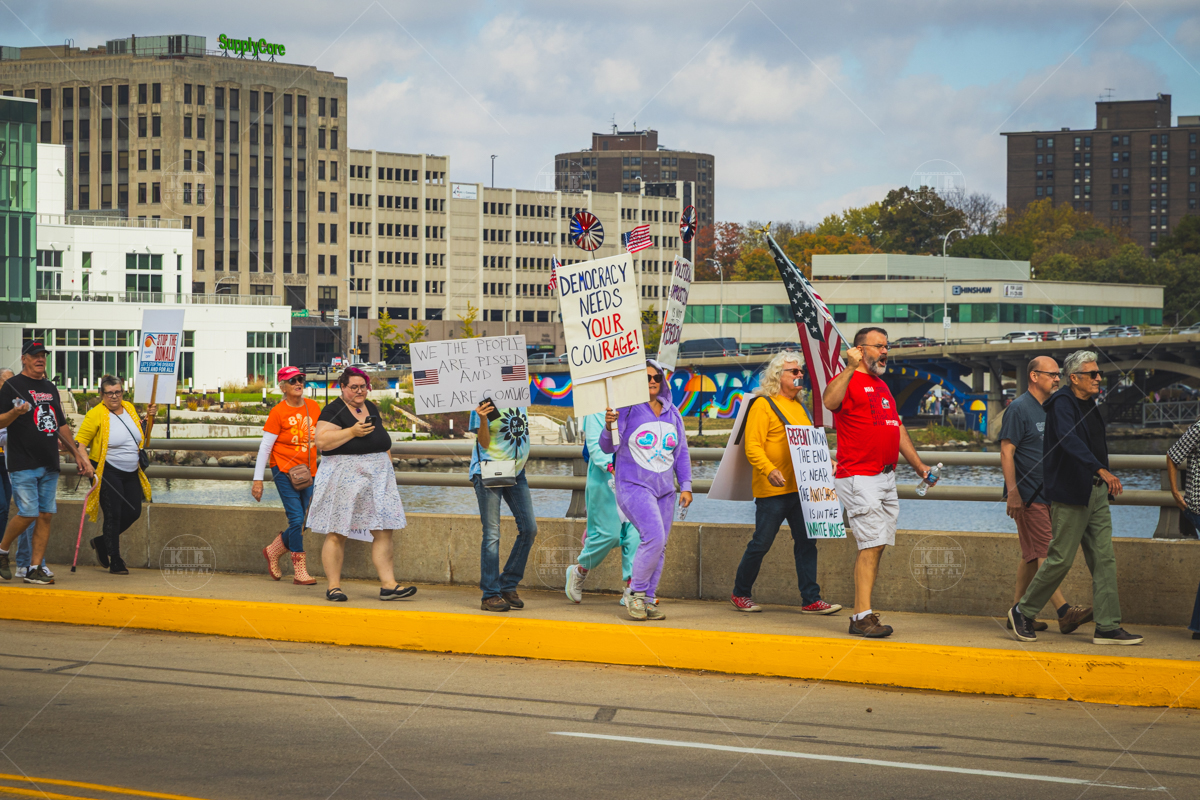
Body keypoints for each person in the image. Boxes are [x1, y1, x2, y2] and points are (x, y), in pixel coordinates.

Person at [1009, 351, 1143, 645]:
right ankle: (1022, 611)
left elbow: (1095, 444)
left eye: (1099, 373)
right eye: (1092, 374)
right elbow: (1068, 440)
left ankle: (1107, 626)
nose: (1098, 378)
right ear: (1074, 378)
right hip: (1071, 493)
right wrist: (1101, 470)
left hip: (1096, 492)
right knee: (1060, 559)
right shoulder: (1062, 403)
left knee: (1104, 559)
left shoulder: (1089, 403)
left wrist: (1101, 478)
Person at [823, 327, 931, 638]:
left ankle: (863, 612)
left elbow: (897, 427)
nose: (885, 351)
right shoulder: (848, 380)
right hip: (859, 476)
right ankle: (861, 617)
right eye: (879, 346)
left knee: (878, 544)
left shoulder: (882, 385)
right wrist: (848, 367)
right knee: (871, 544)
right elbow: (829, 401)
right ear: (860, 349)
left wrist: (920, 466)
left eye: (887, 346)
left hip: (885, 476)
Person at [730, 352, 842, 615]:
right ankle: (740, 593)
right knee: (761, 543)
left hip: (803, 488)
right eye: (794, 371)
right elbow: (752, 446)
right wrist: (769, 470)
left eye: (801, 371)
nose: (800, 374)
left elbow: (809, 443)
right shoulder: (763, 405)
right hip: (773, 490)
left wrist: (825, 459)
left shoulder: (801, 407)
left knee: (807, 543)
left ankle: (811, 599)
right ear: (778, 376)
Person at [999, 356, 1093, 634]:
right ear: (1034, 376)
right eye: (1052, 374)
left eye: (1057, 375)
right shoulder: (1018, 408)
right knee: (1045, 552)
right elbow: (1006, 452)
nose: (1057, 379)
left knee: (1031, 556)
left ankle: (1016, 613)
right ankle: (1064, 612)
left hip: (1052, 493)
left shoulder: (1054, 407)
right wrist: (1013, 492)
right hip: (1029, 495)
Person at [309, 367, 414, 602]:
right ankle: (334, 587)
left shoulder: (370, 407)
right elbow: (321, 441)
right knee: (337, 531)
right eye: (354, 387)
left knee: (383, 529)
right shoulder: (333, 410)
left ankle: (389, 585)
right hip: (344, 477)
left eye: (363, 386)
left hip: (377, 478)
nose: (359, 391)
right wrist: (352, 432)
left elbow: (381, 442)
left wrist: (388, 471)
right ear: (343, 387)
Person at [601, 360, 692, 621]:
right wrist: (609, 426)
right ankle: (636, 594)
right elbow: (608, 447)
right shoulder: (626, 409)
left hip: (666, 491)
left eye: (656, 377)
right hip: (633, 486)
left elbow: (681, 452)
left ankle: (649, 599)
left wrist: (686, 486)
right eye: (646, 377)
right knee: (653, 537)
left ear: (662, 381)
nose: (652, 381)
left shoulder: (673, 413)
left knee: (660, 545)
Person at [74, 375, 154, 575]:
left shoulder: (129, 408)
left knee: (134, 511)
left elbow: (141, 436)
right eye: (109, 393)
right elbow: (80, 444)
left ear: (122, 392)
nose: (114, 396)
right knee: (113, 515)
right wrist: (86, 464)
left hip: (131, 471)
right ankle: (115, 559)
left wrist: (149, 418)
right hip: (107, 471)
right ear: (102, 394)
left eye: (117, 392)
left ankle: (101, 542)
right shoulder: (95, 414)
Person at [252, 366, 321, 585]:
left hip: (308, 471)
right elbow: (265, 447)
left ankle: (274, 550)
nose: (298, 383)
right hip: (283, 470)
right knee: (297, 518)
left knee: (308, 518)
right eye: (293, 380)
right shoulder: (278, 412)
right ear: (282, 387)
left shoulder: (313, 407)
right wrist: (257, 480)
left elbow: (323, 437)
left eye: (301, 379)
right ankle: (299, 571)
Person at [563, 411, 640, 606]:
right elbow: (595, 445)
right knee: (608, 535)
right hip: (604, 478)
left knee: (635, 535)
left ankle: (633, 589)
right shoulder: (596, 408)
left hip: (634, 478)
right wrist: (613, 468)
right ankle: (580, 570)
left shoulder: (637, 405)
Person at [470, 394, 537, 612]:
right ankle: (490, 594)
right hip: (490, 470)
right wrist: (482, 419)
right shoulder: (485, 400)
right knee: (492, 534)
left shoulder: (520, 396)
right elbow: (484, 443)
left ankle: (507, 584)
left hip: (516, 472)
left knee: (529, 529)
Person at [0, 368, 40, 580]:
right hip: (11, 462)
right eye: (5, 381)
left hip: (13, 463)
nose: (10, 385)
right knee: (4, 506)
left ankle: (18, 560)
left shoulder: (20, 403)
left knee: (16, 510)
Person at [1166, 416, 1200, 639]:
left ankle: (1198, 627)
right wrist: (1175, 492)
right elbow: (1172, 455)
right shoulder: (1199, 428)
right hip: (1197, 506)